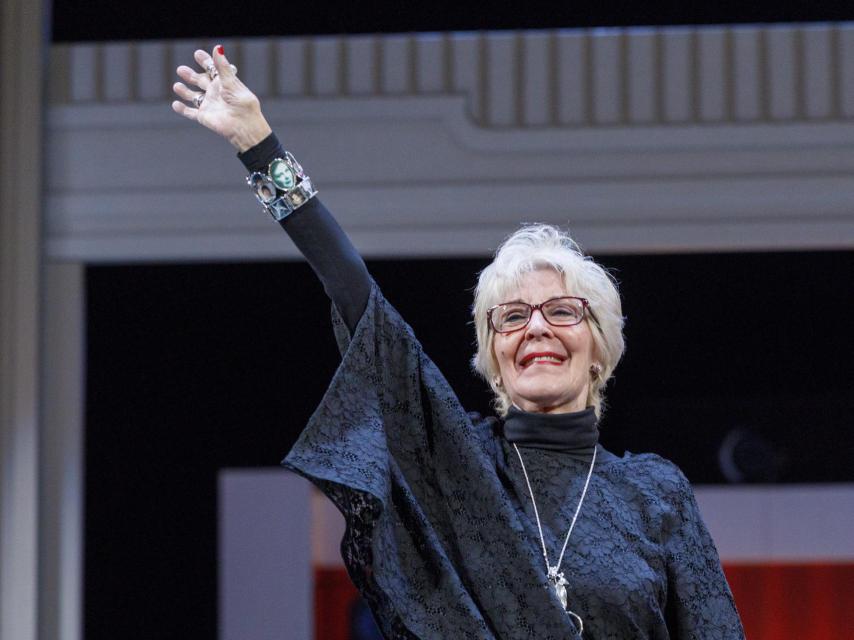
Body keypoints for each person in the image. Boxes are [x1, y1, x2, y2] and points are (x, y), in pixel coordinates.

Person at [173, 46, 746, 640]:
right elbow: (362, 308)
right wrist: (259, 143)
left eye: (562, 311)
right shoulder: (458, 462)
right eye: (513, 316)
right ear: (493, 356)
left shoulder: (655, 493)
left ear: (600, 347)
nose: (537, 328)